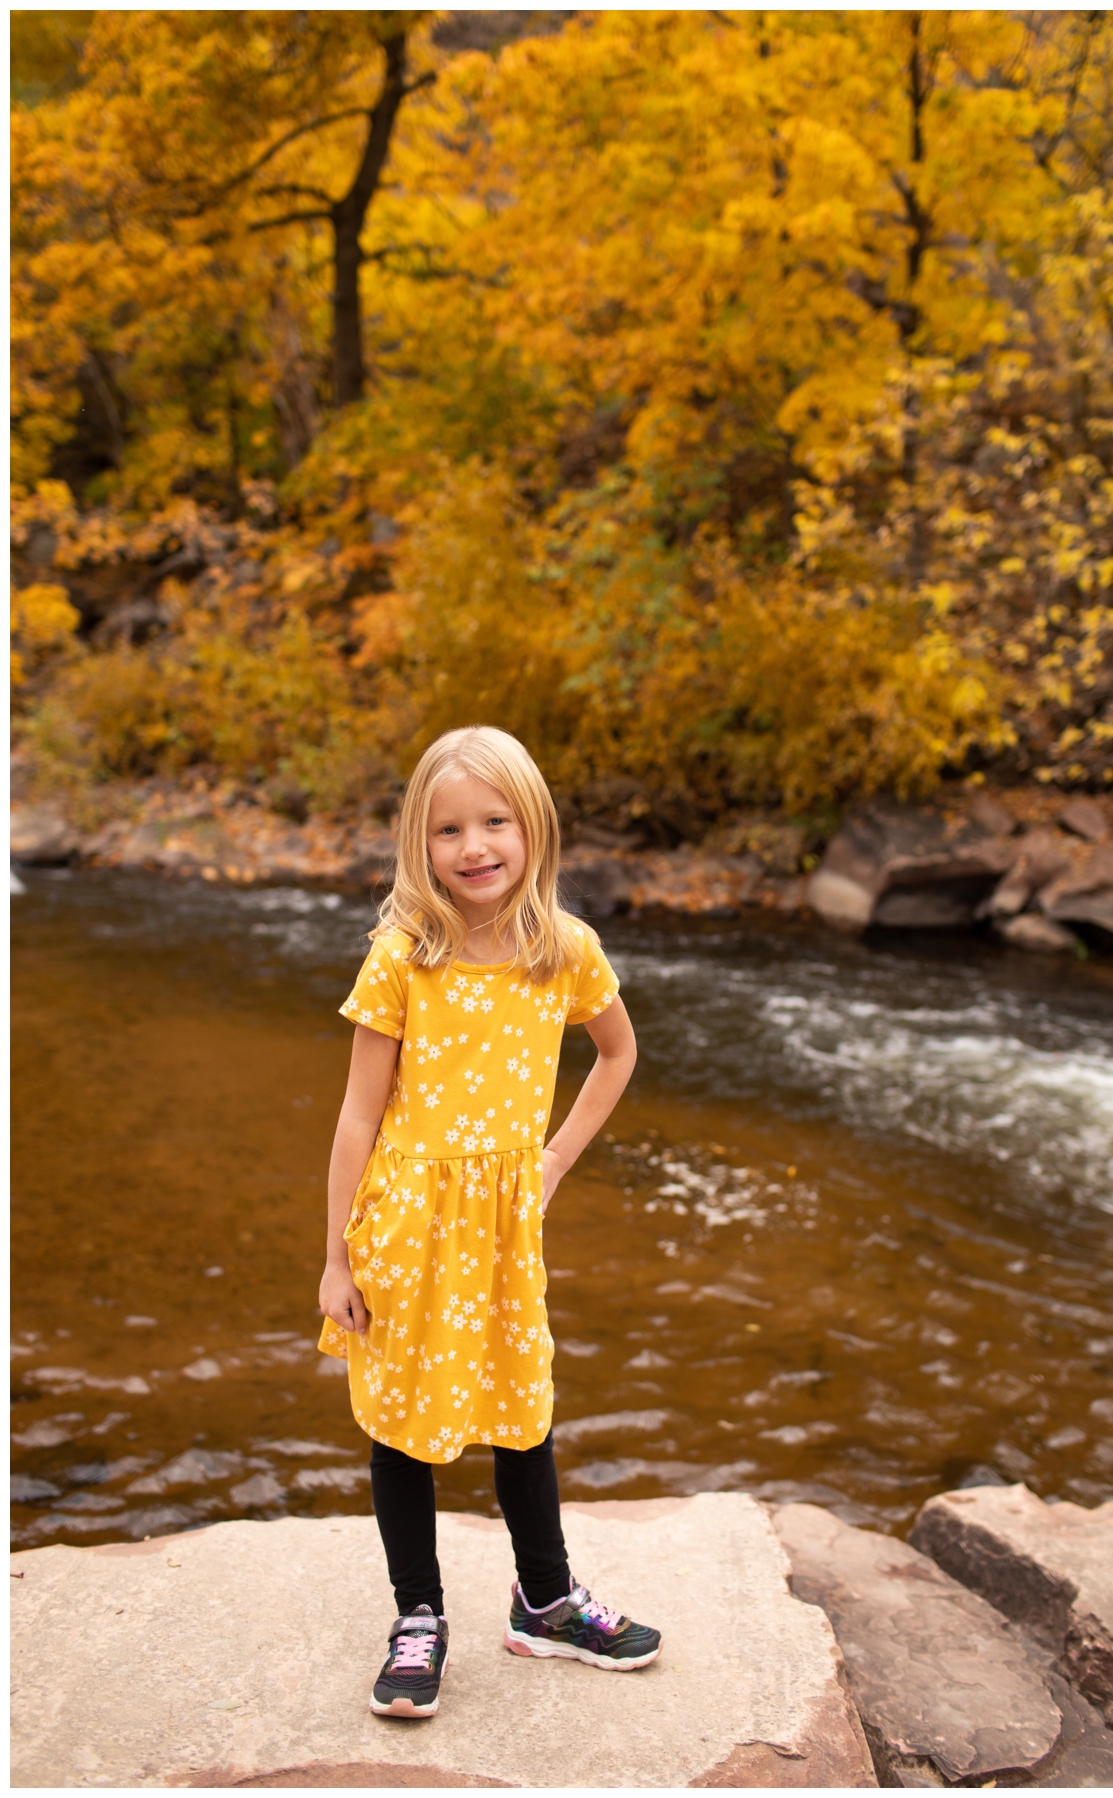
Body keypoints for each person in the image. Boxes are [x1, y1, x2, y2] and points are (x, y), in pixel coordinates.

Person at [317, 724, 658, 1719]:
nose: (474, 847)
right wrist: (336, 1255)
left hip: (504, 1230)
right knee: (404, 1421)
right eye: (448, 829)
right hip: (406, 1222)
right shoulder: (403, 956)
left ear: (532, 825)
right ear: (418, 845)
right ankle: (417, 1615)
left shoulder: (565, 950)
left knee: (524, 1405)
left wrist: (552, 1160)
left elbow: (617, 1055)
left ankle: (544, 1598)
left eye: (494, 821)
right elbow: (356, 1114)